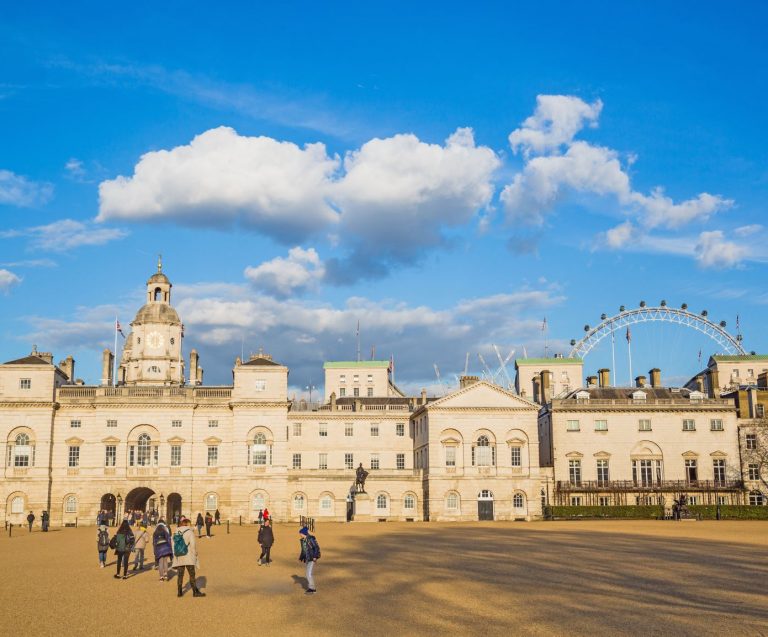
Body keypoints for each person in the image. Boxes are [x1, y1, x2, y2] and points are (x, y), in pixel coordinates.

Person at [173, 517, 206, 597]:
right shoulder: (190, 532)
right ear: (186, 522)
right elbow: (193, 545)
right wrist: (195, 554)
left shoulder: (176, 532)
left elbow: (173, 545)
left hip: (179, 556)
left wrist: (175, 554)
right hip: (188, 556)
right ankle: (195, 592)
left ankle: (179, 592)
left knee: (180, 575)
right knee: (192, 574)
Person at [298, 526, 320, 594]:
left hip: (311, 558)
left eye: (300, 533)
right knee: (308, 573)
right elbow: (304, 550)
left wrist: (315, 557)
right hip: (308, 558)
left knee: (308, 574)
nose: (300, 535)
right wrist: (301, 557)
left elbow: (316, 547)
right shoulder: (303, 540)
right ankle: (312, 588)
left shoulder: (310, 539)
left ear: (303, 533)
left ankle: (312, 589)